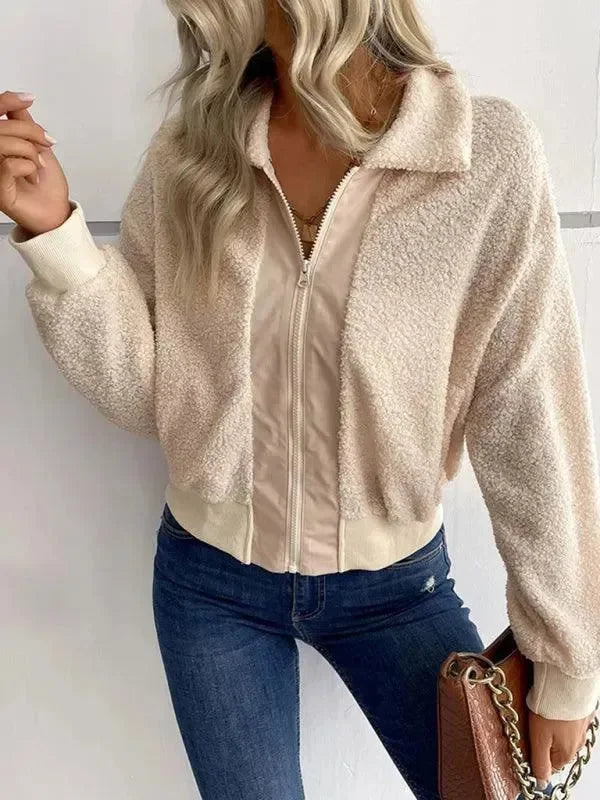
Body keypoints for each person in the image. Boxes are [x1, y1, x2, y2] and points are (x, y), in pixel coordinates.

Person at [3, 1, 600, 798]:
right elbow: (150, 393)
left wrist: (566, 659)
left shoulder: (482, 157)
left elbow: (530, 418)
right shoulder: (194, 152)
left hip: (396, 589)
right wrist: (56, 234)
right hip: (209, 585)